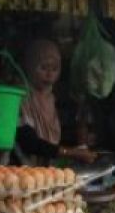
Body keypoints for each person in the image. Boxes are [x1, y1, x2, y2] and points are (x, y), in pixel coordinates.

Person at [14, 38, 97, 166]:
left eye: (54, 69)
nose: (49, 74)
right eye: (43, 68)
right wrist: (72, 153)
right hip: (20, 173)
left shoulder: (53, 99)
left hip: (47, 174)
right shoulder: (20, 97)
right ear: (30, 66)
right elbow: (28, 142)